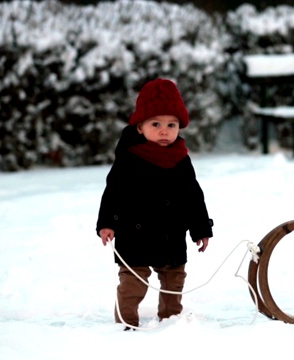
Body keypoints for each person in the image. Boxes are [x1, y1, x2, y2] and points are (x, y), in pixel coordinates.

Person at [96, 78, 213, 329]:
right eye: (156, 124)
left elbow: (193, 195)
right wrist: (107, 223)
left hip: (170, 232)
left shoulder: (180, 158)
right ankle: (125, 324)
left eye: (171, 125)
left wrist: (201, 228)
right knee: (133, 282)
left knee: (174, 280)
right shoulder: (129, 157)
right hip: (133, 232)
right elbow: (113, 191)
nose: (164, 130)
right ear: (140, 127)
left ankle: (170, 321)